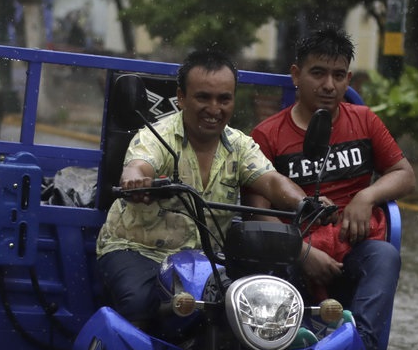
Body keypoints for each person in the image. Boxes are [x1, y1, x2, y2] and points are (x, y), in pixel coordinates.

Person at [96, 49, 321, 330]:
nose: (214, 109)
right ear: (181, 98)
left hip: (208, 260)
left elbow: (271, 180)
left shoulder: (239, 145)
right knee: (140, 302)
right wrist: (135, 181)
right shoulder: (157, 136)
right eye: (203, 97)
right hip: (139, 250)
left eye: (223, 99)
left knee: (261, 301)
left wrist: (304, 202)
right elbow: (139, 165)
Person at [250, 28, 415, 350]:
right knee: (276, 265)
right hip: (293, 255)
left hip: (353, 249)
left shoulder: (364, 120)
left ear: (348, 78)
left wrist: (367, 195)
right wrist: (302, 252)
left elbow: (404, 174)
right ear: (296, 75)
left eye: (339, 76)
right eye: (318, 73)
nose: (329, 85)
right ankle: (291, 344)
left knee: (385, 256)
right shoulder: (268, 135)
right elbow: (256, 213)